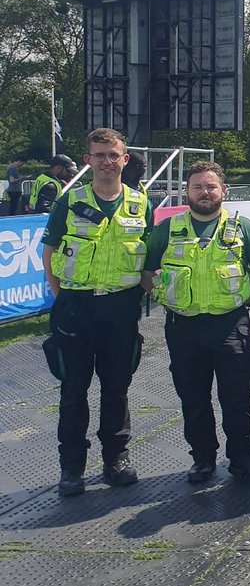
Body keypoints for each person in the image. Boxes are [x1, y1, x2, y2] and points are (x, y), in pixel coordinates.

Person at [142, 160, 250, 483]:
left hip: (230, 325)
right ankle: (202, 460)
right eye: (198, 186)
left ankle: (244, 458)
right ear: (186, 191)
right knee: (193, 396)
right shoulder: (168, 229)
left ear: (223, 191)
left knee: (238, 396)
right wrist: (162, 295)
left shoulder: (242, 227)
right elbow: (144, 271)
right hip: (184, 327)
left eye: (211, 186)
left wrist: (245, 296)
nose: (205, 192)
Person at [40, 128, 147, 496]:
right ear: (88, 160)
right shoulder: (69, 202)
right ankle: (71, 468)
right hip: (77, 307)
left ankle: (116, 458)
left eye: (112, 155)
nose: (106, 161)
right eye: (99, 155)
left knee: (117, 389)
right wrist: (64, 298)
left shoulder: (140, 203)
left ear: (124, 159)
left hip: (120, 307)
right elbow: (49, 253)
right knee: (73, 391)